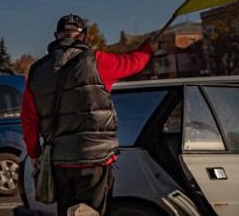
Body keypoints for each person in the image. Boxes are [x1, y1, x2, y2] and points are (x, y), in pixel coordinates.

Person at [21, 14, 154, 216]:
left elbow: (28, 119)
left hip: (59, 160)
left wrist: (35, 153)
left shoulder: (37, 70)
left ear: (56, 36)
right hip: (94, 159)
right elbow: (134, 63)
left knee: (67, 212)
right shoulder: (97, 61)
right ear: (84, 36)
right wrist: (147, 48)